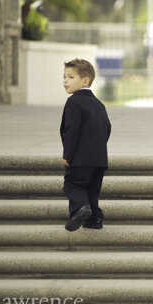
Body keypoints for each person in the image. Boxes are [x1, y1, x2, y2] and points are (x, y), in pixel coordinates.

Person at [60, 58, 112, 232]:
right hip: (99, 159)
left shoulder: (74, 102)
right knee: (91, 190)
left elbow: (71, 131)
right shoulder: (99, 104)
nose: (65, 81)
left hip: (80, 158)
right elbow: (107, 128)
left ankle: (80, 208)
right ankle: (95, 219)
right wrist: (97, 148)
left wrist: (68, 155)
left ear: (85, 80)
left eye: (70, 77)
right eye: (64, 77)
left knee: (73, 185)